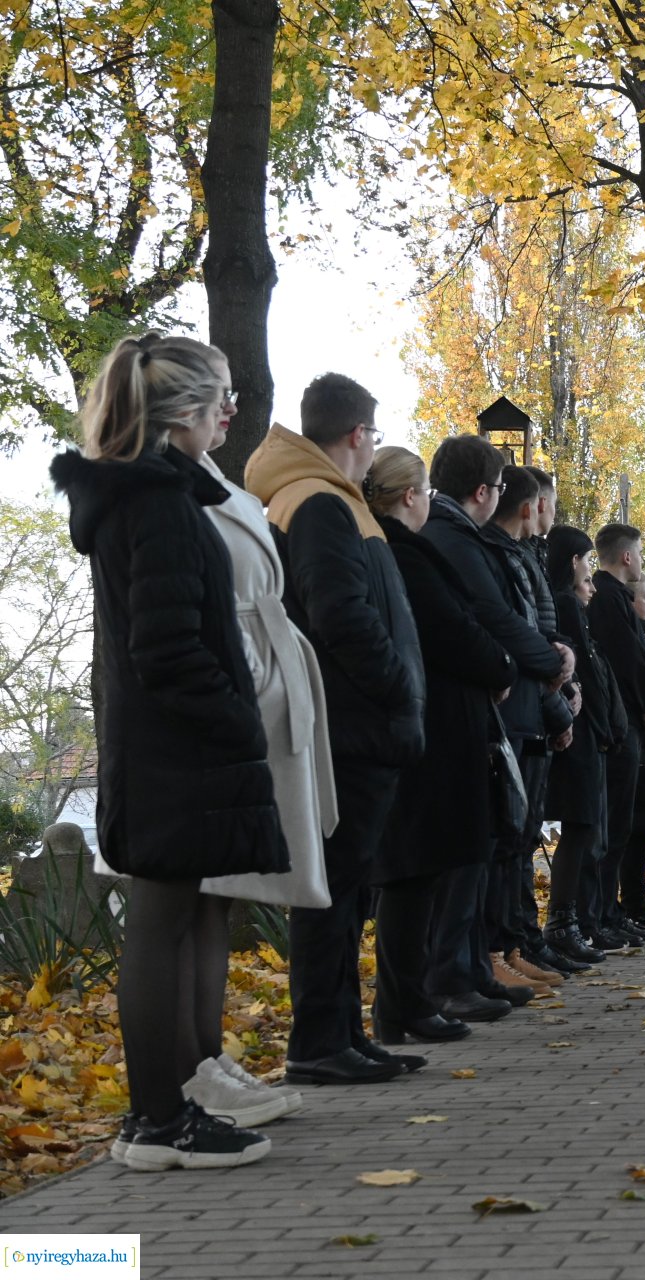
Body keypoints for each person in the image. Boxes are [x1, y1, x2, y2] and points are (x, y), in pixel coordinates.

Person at [53, 333, 288, 1170]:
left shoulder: (148, 497)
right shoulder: (156, 505)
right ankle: (157, 1123)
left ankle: (162, 1115)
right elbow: (168, 648)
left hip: (161, 751)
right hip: (175, 754)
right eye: (221, 398)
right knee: (159, 927)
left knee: (171, 923)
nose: (230, 412)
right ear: (184, 411)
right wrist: (236, 721)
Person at [246, 374, 426, 1087]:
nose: (375, 445)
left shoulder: (329, 498)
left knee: (348, 890)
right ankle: (320, 1041)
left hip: (355, 727)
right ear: (357, 434)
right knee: (333, 891)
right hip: (350, 730)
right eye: (374, 434)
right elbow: (340, 614)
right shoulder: (320, 502)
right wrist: (398, 687)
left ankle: (344, 1033)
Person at [189, 363, 331, 1123]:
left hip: (255, 692)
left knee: (215, 901)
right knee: (190, 905)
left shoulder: (212, 484)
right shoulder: (167, 492)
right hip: (219, 709)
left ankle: (207, 1062)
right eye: (220, 396)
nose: (233, 409)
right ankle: (179, 1086)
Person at [364, 446, 516, 1043]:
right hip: (433, 728)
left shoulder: (405, 550)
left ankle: (411, 1001)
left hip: (438, 723)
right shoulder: (405, 554)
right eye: (425, 492)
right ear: (410, 496)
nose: (430, 501)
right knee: (416, 872)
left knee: (426, 871)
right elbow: (454, 629)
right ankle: (409, 1001)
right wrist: (501, 665)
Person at [421, 436, 575, 1009]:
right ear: (485, 491)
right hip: (489, 711)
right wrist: (546, 664)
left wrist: (550, 668)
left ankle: (489, 959)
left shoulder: (472, 540)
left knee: (503, 842)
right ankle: (467, 967)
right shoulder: (458, 539)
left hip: (514, 707)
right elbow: (494, 621)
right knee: (484, 847)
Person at [483, 467, 574, 979]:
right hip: (518, 713)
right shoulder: (506, 555)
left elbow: (543, 635)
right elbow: (525, 636)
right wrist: (558, 702)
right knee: (508, 840)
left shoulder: (527, 557)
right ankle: (503, 950)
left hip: (532, 712)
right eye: (549, 505)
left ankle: (517, 946)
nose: (549, 516)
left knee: (520, 839)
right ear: (532, 505)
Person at [544, 525, 639, 959]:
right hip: (582, 735)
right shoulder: (566, 604)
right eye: (585, 562)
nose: (591, 576)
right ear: (573, 562)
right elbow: (583, 673)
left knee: (591, 832)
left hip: (592, 733)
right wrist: (601, 727)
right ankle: (570, 922)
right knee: (583, 831)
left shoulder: (575, 607)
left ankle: (584, 921)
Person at [588, 523, 645, 939]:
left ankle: (612, 913)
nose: (641, 561)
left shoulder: (615, 599)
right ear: (627, 556)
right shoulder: (608, 599)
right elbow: (627, 662)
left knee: (622, 826)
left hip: (630, 721)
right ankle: (604, 915)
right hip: (621, 723)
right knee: (613, 829)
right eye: (639, 553)